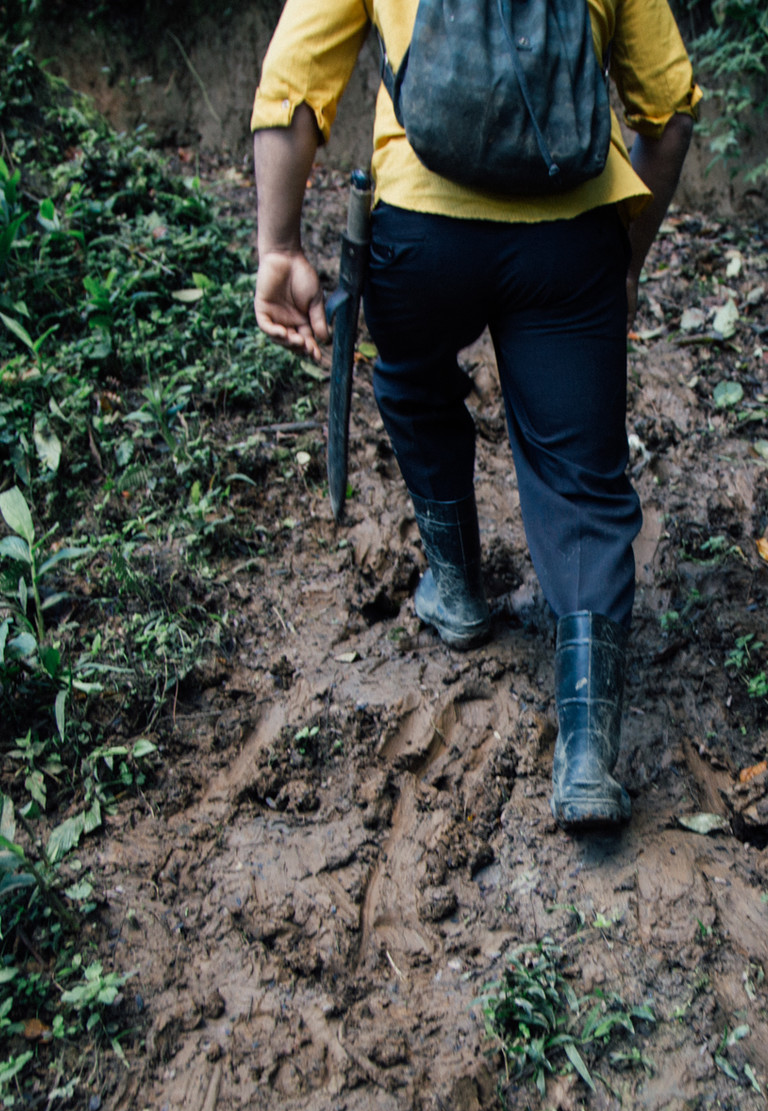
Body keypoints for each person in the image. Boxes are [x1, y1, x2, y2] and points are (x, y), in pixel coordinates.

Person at [249, 0, 697, 831]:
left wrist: (278, 248)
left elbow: (294, 89)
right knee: (582, 478)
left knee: (413, 377)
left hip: (419, 238)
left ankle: (456, 585)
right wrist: (625, 261)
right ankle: (588, 755)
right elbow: (667, 114)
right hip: (570, 237)